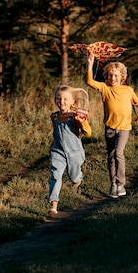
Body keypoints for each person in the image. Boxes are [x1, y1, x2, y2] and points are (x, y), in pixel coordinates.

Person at [86, 52, 138, 198]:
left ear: (122, 77)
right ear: (107, 76)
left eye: (116, 75)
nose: (113, 78)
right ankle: (113, 184)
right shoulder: (105, 89)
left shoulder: (128, 90)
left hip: (124, 128)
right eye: (111, 75)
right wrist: (90, 64)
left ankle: (121, 183)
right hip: (110, 127)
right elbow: (90, 82)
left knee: (118, 153)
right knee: (111, 156)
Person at [48, 85, 92, 216]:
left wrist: (81, 122)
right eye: (58, 98)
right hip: (58, 151)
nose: (61, 101)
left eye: (65, 99)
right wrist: (53, 146)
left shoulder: (75, 116)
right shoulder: (54, 116)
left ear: (73, 101)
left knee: (73, 176)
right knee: (55, 175)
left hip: (74, 152)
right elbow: (56, 133)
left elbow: (88, 133)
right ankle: (53, 205)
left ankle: (77, 179)